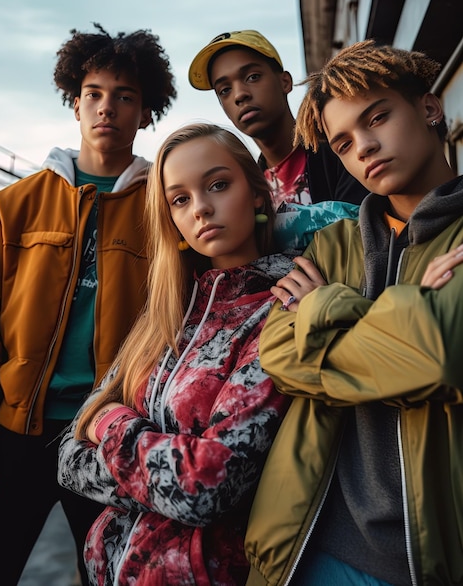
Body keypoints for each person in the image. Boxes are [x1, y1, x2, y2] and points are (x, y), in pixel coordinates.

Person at [244, 39, 463, 585]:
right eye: (342, 143)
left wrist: (319, 309)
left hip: (429, 555)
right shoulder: (335, 242)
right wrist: (396, 317)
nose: (364, 147)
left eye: (378, 117)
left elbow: (437, 355)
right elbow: (277, 355)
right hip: (311, 542)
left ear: (429, 108)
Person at [57, 123, 295, 586]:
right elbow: (68, 461)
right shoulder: (165, 316)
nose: (201, 208)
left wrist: (110, 422)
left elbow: (207, 488)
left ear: (258, 194)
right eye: (180, 199)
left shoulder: (279, 311)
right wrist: (163, 470)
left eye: (218, 185)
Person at [0, 23, 176, 586]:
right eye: (94, 94)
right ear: (75, 102)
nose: (108, 108)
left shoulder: (164, 207)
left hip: (107, 431)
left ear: (146, 113)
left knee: (110, 575)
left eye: (125, 97)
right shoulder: (14, 204)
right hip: (15, 429)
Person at [188, 29, 369, 210]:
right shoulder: (247, 193)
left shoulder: (340, 151)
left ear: (285, 82)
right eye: (225, 90)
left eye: (252, 77)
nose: (239, 95)